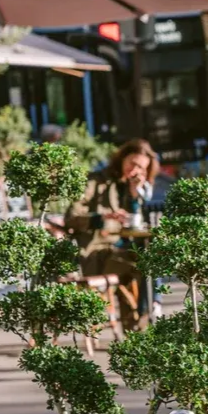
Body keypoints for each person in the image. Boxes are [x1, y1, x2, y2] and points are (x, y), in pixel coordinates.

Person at [65, 138, 158, 331]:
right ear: (122, 158)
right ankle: (146, 317)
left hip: (118, 250)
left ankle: (140, 324)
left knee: (150, 260)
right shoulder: (95, 181)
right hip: (95, 252)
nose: (135, 170)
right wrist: (102, 217)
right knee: (144, 266)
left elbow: (136, 221)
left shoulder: (128, 187)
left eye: (141, 168)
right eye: (132, 163)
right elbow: (71, 216)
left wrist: (134, 194)